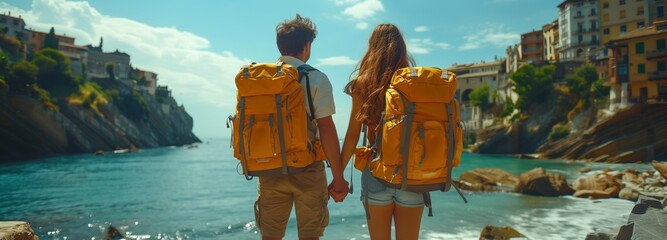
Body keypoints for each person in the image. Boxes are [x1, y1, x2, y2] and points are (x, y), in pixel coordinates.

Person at [254, 14, 349, 240]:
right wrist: (338, 177)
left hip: (270, 169)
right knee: (310, 236)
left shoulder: (260, 80)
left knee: (270, 237)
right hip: (308, 168)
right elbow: (326, 129)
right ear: (307, 47)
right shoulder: (316, 79)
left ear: (280, 47)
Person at [340, 24, 424, 240]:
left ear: (372, 49)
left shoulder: (363, 84)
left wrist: (338, 176)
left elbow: (352, 134)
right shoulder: (414, 83)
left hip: (376, 173)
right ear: (402, 49)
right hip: (411, 175)